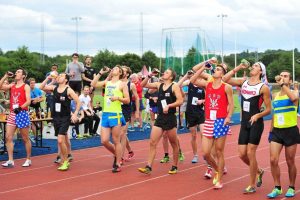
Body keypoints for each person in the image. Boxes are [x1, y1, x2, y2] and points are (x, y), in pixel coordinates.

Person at [222, 61, 271, 193]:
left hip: (256, 123)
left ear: (261, 71)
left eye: (256, 66)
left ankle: (252, 185)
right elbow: (224, 79)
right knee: (242, 154)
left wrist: (258, 115)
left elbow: (269, 109)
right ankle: (259, 171)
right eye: (253, 65)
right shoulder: (243, 82)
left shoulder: (263, 87)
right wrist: (239, 67)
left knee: (250, 152)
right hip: (244, 123)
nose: (253, 67)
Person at [191, 63, 234, 189]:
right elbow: (193, 80)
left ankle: (219, 179)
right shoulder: (207, 84)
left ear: (222, 73)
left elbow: (231, 104)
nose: (216, 70)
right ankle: (217, 170)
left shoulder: (227, 87)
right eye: (216, 68)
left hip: (221, 121)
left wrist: (228, 117)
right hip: (209, 120)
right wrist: (203, 68)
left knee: (219, 152)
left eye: (219, 69)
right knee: (206, 153)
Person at [138, 68, 183, 174]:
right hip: (160, 118)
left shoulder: (174, 86)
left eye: (167, 72)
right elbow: (143, 85)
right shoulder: (159, 85)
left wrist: (169, 105)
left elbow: (180, 100)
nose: (164, 73)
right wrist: (149, 75)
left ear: (171, 77)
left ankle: (174, 166)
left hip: (170, 117)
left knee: (174, 143)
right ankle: (148, 166)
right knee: (152, 142)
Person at [266, 71, 299, 198]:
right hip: (277, 131)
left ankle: (291, 186)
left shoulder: (294, 93)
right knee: (273, 159)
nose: (282, 77)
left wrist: (283, 85)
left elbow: (294, 99)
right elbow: (275, 114)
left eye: (285, 76)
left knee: (290, 161)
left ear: (290, 81)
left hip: (290, 130)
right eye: (281, 75)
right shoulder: (275, 95)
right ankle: (277, 187)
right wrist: (271, 130)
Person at [91, 65, 130, 173]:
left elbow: (127, 100)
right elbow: (93, 84)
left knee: (116, 140)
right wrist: (100, 72)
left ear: (121, 73)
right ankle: (117, 155)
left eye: (117, 69)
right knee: (104, 141)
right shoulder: (107, 82)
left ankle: (117, 163)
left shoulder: (122, 84)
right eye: (113, 68)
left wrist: (118, 98)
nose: (114, 69)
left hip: (116, 114)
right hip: (106, 114)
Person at [40, 73, 80, 171]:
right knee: (64, 139)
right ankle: (66, 156)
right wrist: (48, 78)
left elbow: (78, 102)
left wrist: (75, 114)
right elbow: (41, 87)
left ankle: (65, 161)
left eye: (61, 76)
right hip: (56, 117)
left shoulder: (68, 90)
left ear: (66, 80)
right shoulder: (54, 88)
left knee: (60, 140)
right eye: (59, 75)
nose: (59, 77)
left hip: (65, 118)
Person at [0, 69, 32, 168]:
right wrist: (5, 75)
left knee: (25, 138)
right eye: (16, 72)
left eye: (19, 72)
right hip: (13, 113)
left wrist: (20, 107)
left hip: (22, 113)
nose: (16, 73)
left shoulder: (26, 86)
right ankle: (10, 160)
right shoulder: (12, 85)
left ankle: (28, 159)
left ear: (23, 76)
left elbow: (29, 101)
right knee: (8, 137)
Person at [178, 70, 205, 163]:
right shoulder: (190, 83)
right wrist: (186, 75)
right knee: (193, 135)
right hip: (190, 112)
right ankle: (195, 155)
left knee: (203, 134)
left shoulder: (203, 85)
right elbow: (178, 85)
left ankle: (206, 154)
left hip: (201, 112)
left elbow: (208, 97)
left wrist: (203, 101)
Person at [120, 66, 139, 161]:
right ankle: (130, 150)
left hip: (126, 110)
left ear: (127, 74)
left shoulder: (131, 85)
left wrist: (137, 111)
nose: (120, 72)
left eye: (123, 71)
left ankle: (120, 157)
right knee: (121, 134)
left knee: (122, 133)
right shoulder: (116, 83)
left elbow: (137, 98)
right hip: (116, 110)